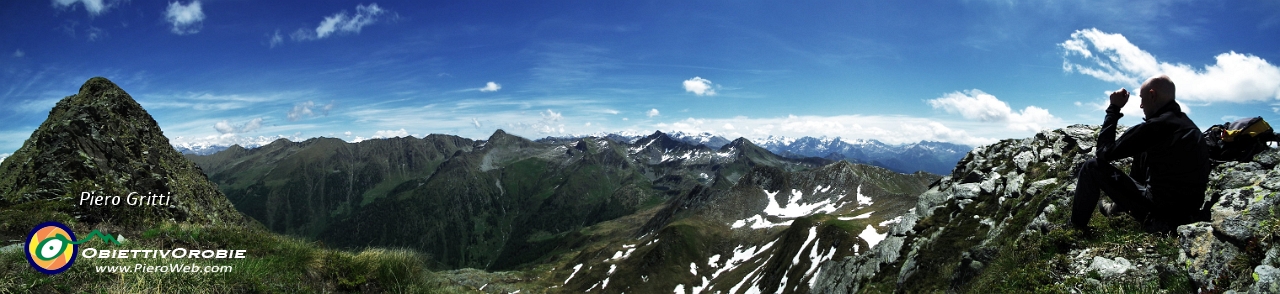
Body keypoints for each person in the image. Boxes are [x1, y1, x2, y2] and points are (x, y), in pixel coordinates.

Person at [1070, 75, 1211, 231]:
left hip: (1160, 215)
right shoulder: (1188, 125)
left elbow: (1103, 153)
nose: (1141, 106)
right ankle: (1119, 209)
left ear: (1152, 95)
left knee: (1091, 167)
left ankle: (1075, 228)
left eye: (1142, 99)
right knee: (1144, 150)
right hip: (1187, 212)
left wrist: (1114, 109)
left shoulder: (1157, 126)